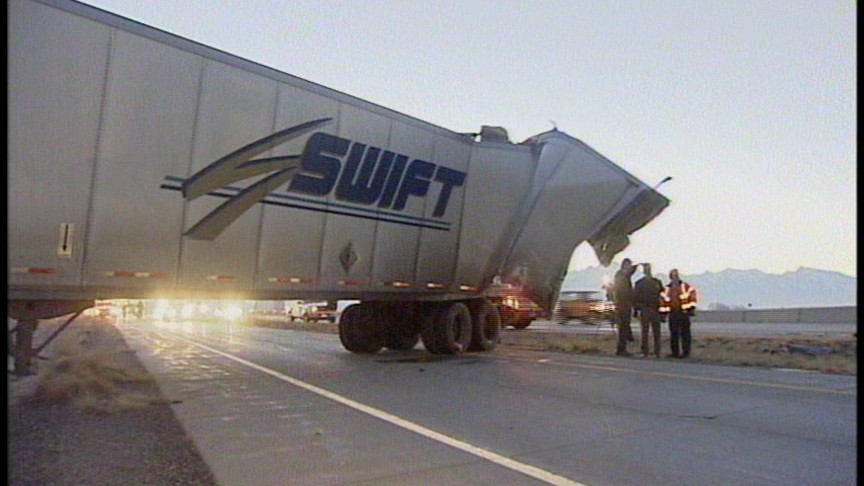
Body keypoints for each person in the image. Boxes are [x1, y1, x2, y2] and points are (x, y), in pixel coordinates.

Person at [660, 268, 698, 358]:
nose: (675, 278)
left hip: (684, 313)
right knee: (674, 334)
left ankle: (686, 353)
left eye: (676, 275)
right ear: (670, 277)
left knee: (685, 334)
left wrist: (691, 309)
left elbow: (693, 296)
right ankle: (675, 353)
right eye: (673, 276)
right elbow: (663, 302)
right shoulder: (666, 289)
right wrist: (663, 314)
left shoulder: (685, 286)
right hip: (673, 313)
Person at [633, 263, 665, 358]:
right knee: (644, 332)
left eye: (649, 269)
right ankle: (645, 351)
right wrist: (636, 310)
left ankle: (657, 351)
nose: (648, 271)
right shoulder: (639, 283)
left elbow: (662, 297)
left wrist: (663, 312)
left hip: (655, 309)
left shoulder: (657, 282)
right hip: (644, 308)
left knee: (657, 332)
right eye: (646, 269)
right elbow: (635, 298)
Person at [612, 258, 639, 356]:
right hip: (622, 303)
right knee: (623, 326)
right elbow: (629, 272)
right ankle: (621, 349)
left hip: (624, 303)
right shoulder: (621, 274)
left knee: (624, 326)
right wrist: (636, 266)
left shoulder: (622, 275)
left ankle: (623, 347)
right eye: (628, 265)